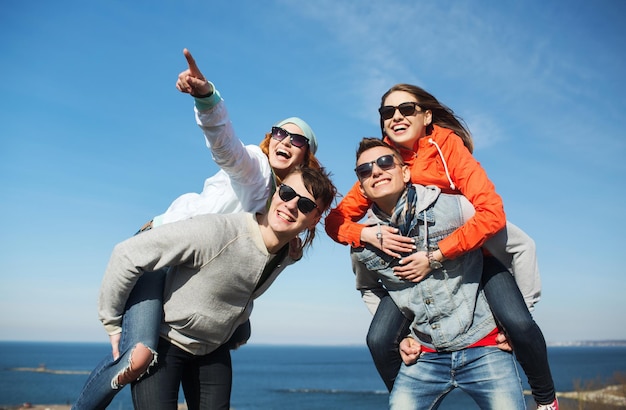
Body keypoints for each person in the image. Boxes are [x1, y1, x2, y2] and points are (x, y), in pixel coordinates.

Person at [72, 49, 322, 409]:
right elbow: (225, 145)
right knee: (137, 356)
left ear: (306, 157)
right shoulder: (255, 167)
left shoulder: (285, 201)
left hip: (198, 271)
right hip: (163, 253)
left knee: (238, 327)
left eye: (297, 140)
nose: (285, 141)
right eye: (280, 132)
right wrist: (207, 98)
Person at [326, 84, 557, 410]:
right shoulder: (381, 162)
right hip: (418, 274)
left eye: (406, 109)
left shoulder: (446, 147)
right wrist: (367, 235)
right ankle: (413, 384)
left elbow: (492, 215)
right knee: (379, 340)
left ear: (427, 115)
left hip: (474, 252)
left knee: (519, 325)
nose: (396, 117)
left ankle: (547, 400)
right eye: (387, 112)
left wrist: (436, 255)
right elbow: (335, 222)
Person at [97, 167, 336, 409]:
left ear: (315, 219)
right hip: (167, 342)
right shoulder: (217, 233)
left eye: (305, 205)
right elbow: (126, 253)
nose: (291, 205)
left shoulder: (287, 251)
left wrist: (292, 256)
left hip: (213, 349)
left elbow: (265, 259)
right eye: (286, 193)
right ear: (275, 194)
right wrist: (112, 323)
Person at [351, 138, 525, 409]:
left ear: (405, 171)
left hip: (484, 346)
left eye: (385, 162)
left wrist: (517, 322)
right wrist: (405, 335)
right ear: (361, 186)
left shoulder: (455, 209)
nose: (375, 171)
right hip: (425, 355)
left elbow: (517, 247)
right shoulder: (361, 246)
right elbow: (368, 288)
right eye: (364, 170)